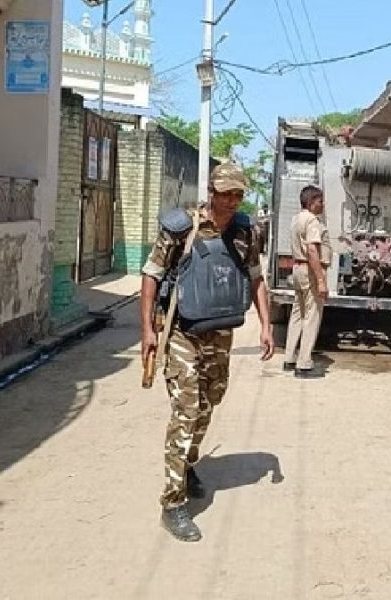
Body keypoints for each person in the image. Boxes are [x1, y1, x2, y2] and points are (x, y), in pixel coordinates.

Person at [140, 162, 275, 543]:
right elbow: (151, 275)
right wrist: (148, 330)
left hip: (220, 335)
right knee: (186, 410)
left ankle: (187, 463)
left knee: (210, 402)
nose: (232, 201)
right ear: (212, 192)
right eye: (226, 193)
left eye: (238, 194)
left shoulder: (244, 230)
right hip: (182, 332)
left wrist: (265, 325)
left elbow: (255, 277)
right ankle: (173, 503)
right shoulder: (182, 228)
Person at [282, 185, 332, 379]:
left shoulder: (296, 219)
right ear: (311, 203)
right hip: (309, 270)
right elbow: (312, 250)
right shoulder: (311, 220)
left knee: (297, 314)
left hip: (298, 269)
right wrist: (320, 279)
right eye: (320, 201)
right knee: (312, 316)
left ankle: (289, 358)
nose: (323, 205)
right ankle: (304, 364)